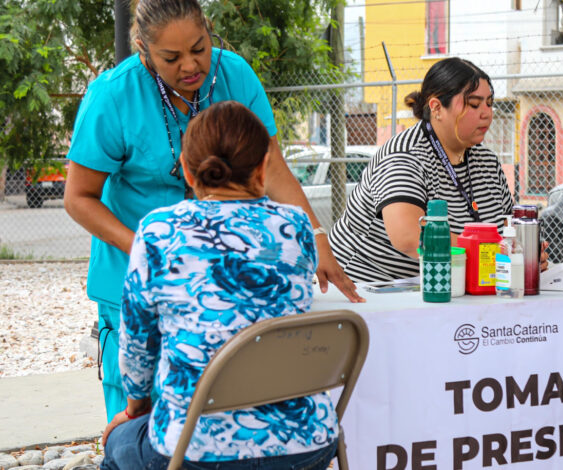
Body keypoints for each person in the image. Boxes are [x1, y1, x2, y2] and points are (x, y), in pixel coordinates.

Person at [64, 0, 361, 422]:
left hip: (227, 278)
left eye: (199, 48)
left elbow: (271, 165)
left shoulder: (235, 74)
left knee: (232, 407)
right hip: (134, 272)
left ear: (209, 29)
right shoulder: (112, 97)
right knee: (140, 411)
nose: (191, 65)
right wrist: (151, 252)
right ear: (143, 50)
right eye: (171, 57)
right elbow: (78, 197)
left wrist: (316, 238)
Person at [100, 101, 338, 470]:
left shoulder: (158, 231)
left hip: (196, 450)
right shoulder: (296, 226)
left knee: (119, 442)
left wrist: (136, 408)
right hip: (306, 445)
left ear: (189, 174)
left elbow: (137, 341)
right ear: (262, 168)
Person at [329, 57, 515, 281]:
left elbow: (508, 230)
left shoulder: (487, 162)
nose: (486, 113)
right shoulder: (404, 156)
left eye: (489, 103)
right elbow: (408, 237)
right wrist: (489, 252)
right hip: (368, 288)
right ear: (437, 107)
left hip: (449, 288)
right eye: (474, 105)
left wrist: (524, 252)